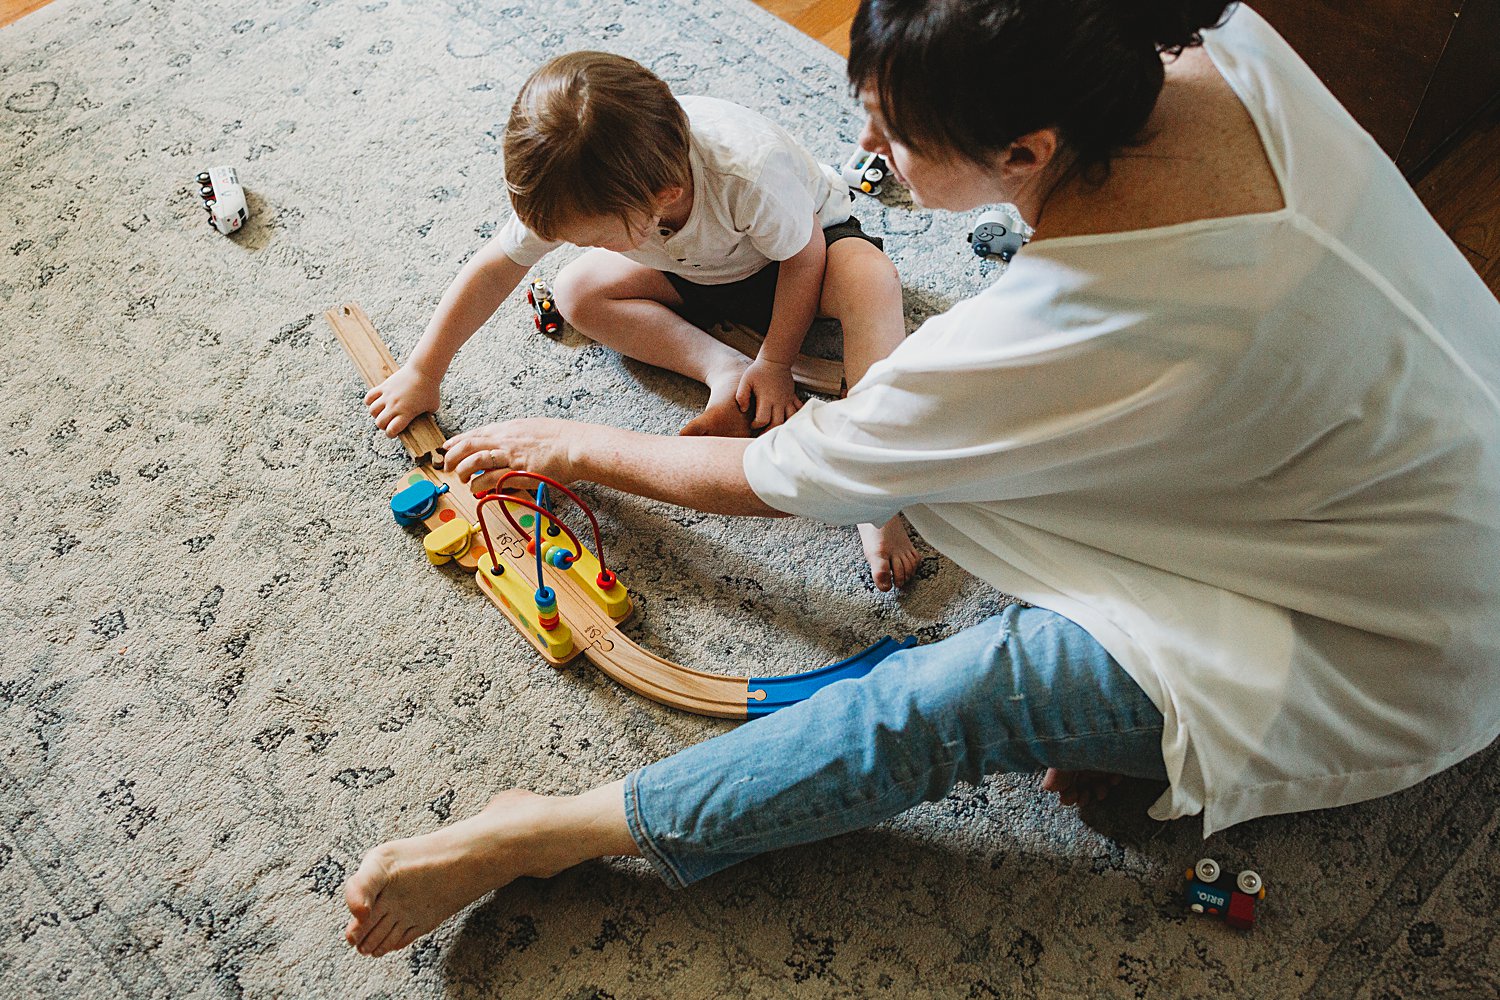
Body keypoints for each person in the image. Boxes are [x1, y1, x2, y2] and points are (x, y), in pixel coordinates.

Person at [343, 0, 1500, 958]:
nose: (868, 151)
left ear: (1026, 152)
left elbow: (790, 470)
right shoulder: (1226, 50)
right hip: (1412, 491)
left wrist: (569, 442)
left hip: (1399, 651)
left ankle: (554, 830)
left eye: (893, 133)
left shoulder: (1047, 333)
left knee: (947, 698)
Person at [363, 51, 920, 591]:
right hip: (697, 273)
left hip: (803, 257)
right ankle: (723, 365)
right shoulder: (581, 183)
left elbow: (803, 259)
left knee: (873, 282)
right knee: (576, 290)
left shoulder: (746, 170)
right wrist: (423, 370)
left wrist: (776, 361)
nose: (577, 243)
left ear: (666, 196)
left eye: (593, 236)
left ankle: (875, 501)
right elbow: (494, 268)